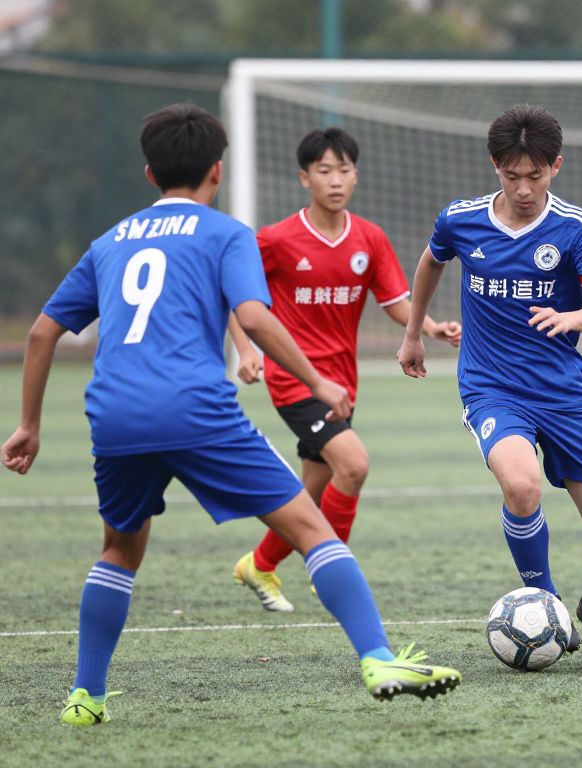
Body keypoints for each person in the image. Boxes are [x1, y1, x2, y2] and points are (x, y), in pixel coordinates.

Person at [0, 104, 460, 726]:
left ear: (148, 173)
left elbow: (40, 334)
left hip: (114, 415)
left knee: (117, 551)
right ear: (217, 171)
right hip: (194, 409)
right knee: (310, 527)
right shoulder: (226, 234)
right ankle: (379, 658)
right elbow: (255, 316)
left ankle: (86, 698)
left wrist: (29, 425)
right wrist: (316, 380)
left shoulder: (109, 242)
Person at [398, 104, 582, 659]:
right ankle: (546, 603)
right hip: (491, 387)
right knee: (522, 485)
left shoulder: (576, 229)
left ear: (556, 166)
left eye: (536, 175)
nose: (525, 188)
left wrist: (570, 317)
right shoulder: (461, 219)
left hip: (561, 392)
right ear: (495, 167)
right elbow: (431, 261)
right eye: (512, 176)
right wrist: (414, 333)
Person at [227, 127, 461, 612]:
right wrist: (245, 351)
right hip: (295, 379)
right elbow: (231, 293)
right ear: (304, 178)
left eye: (344, 169)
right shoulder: (275, 239)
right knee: (353, 465)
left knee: (311, 489)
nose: (335, 180)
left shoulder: (369, 239)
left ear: (356, 175)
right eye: (324, 170)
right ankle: (332, 569)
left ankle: (260, 564)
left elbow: (396, 299)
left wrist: (432, 328)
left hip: (341, 382)